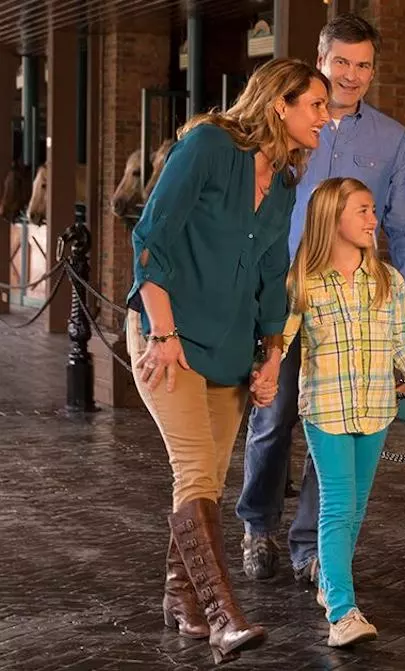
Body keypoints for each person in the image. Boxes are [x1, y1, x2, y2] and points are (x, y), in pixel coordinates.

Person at [125, 58, 330, 664]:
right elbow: (149, 240)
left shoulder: (287, 183)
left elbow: (271, 272)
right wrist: (161, 333)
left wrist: (270, 355)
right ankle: (223, 617)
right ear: (278, 106)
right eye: (315, 104)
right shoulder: (208, 147)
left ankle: (179, 598)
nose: (326, 116)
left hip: (233, 348)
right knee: (194, 472)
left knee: (206, 481)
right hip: (173, 338)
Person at [237, 13, 405, 584]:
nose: (351, 75)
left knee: (339, 426)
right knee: (273, 419)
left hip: (354, 308)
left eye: (363, 64)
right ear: (320, 60)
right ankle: (257, 528)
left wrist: (402, 318)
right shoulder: (287, 127)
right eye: (341, 62)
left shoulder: (390, 139)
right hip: (283, 298)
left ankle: (310, 547)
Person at [283, 176, 405, 646]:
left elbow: (403, 342)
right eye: (363, 210)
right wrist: (265, 371)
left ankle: (331, 583)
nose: (374, 219)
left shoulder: (387, 281)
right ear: (333, 218)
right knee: (336, 505)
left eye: (374, 210)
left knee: (356, 507)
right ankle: (342, 612)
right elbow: (282, 338)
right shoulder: (304, 282)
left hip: (376, 408)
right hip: (326, 409)